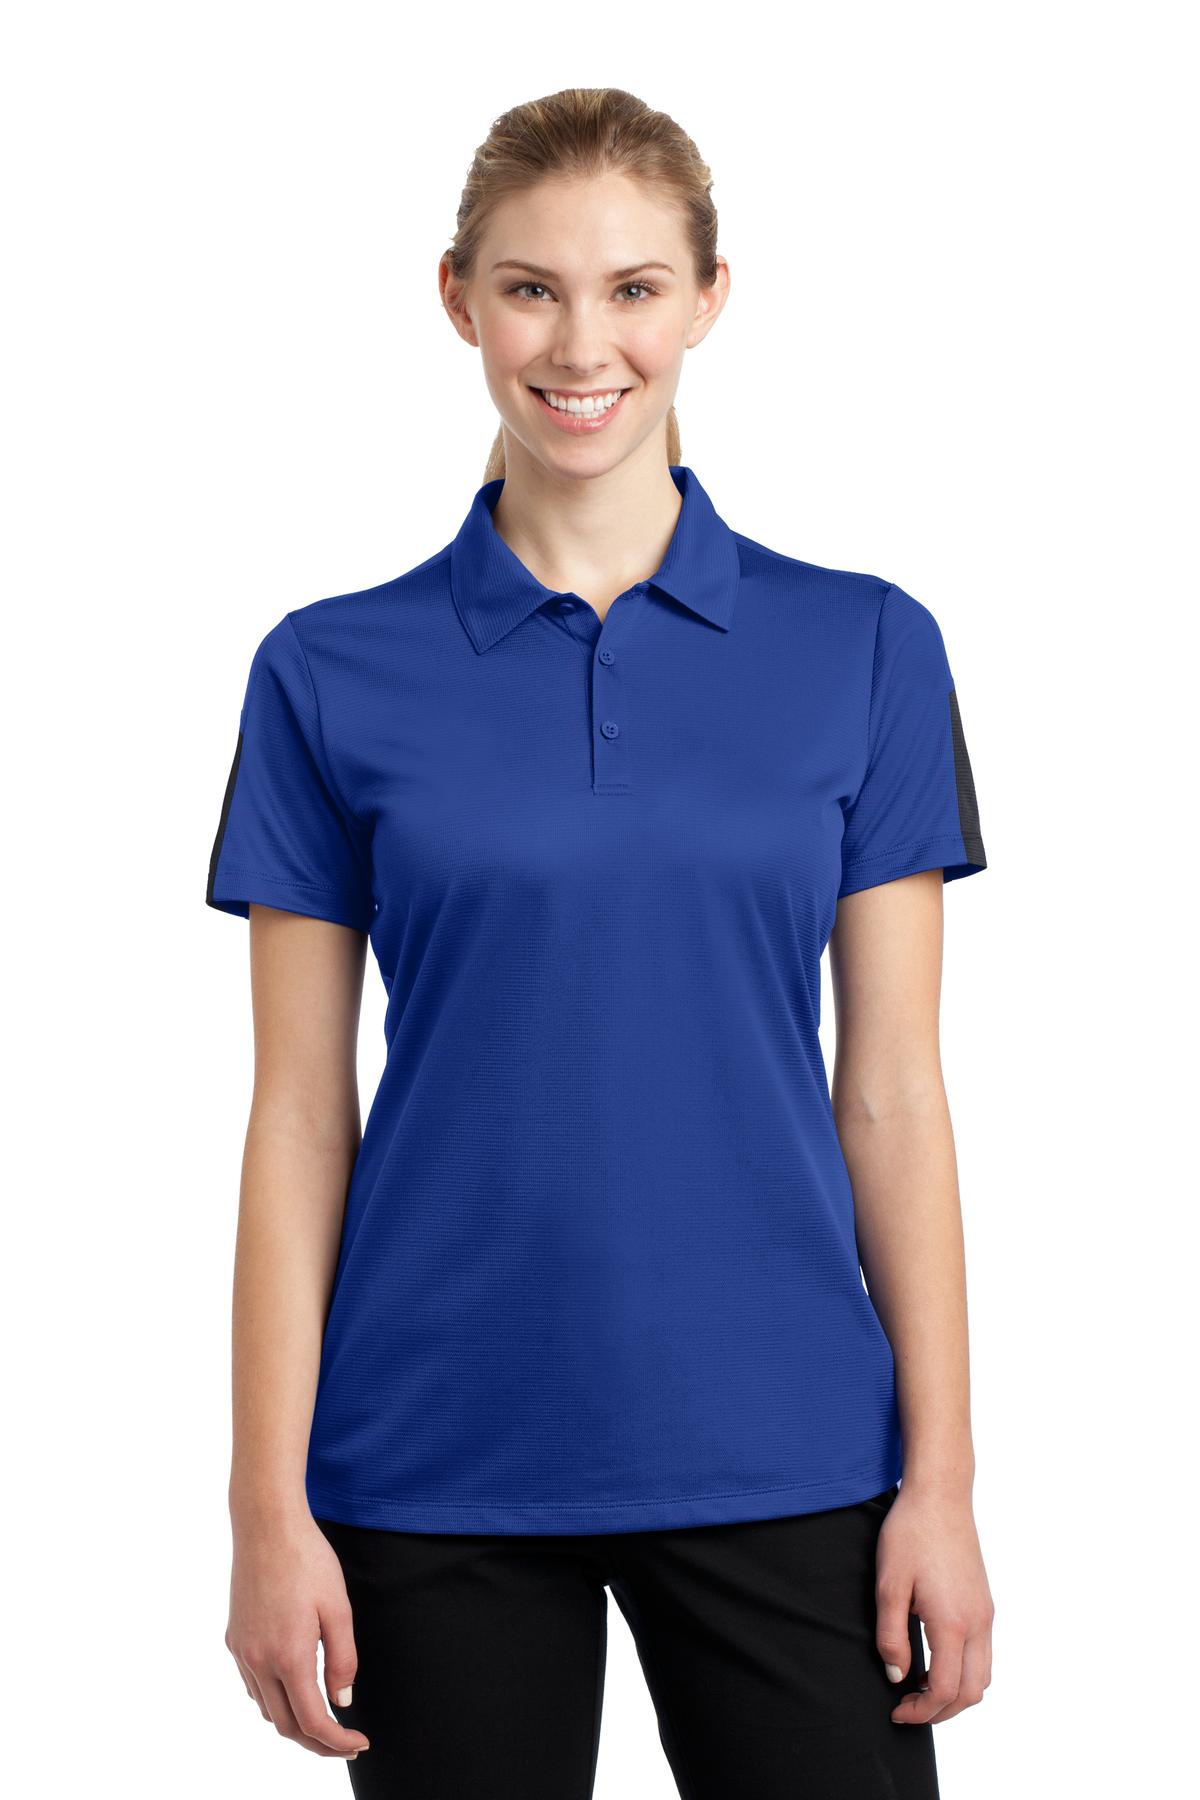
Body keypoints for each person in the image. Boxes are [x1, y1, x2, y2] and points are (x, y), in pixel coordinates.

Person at [208, 86, 994, 1800]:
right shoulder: (326, 672)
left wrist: (942, 1482)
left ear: (709, 299)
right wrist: (267, 1509)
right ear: (458, 300)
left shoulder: (866, 649)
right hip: (432, 1456)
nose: (582, 346)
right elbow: (298, 1115)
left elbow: (894, 1096)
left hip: (789, 1441)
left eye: (635, 288)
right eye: (531, 289)